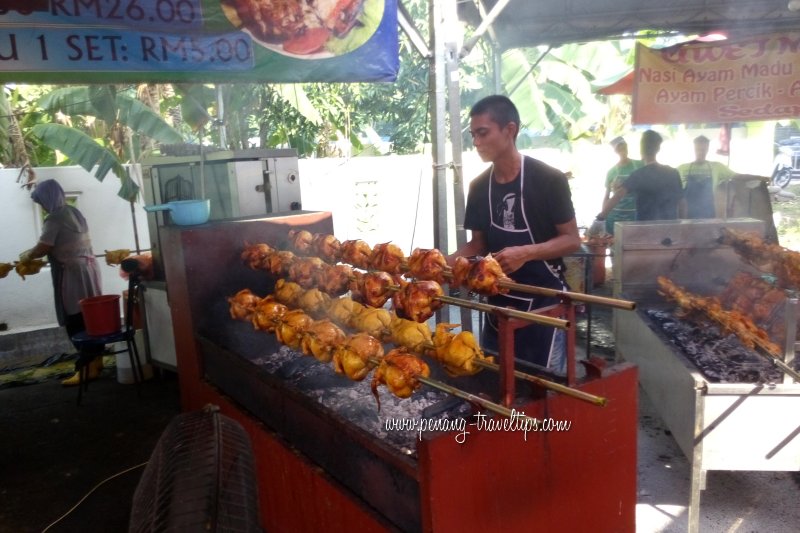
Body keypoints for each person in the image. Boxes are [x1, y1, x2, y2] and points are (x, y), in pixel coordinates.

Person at [448, 95, 581, 372]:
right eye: (473, 135)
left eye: (483, 133)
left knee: (542, 395)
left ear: (510, 130)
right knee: (497, 384)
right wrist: (444, 264)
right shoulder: (478, 187)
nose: (476, 142)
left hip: (545, 305)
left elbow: (572, 239)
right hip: (499, 305)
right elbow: (478, 244)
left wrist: (526, 252)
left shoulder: (548, 180)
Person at [19, 179, 104, 385]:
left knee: (75, 318)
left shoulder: (54, 218)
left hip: (71, 274)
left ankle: (86, 368)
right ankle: (96, 361)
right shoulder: (75, 213)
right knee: (91, 316)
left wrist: (27, 256)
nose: (42, 206)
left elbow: (44, 246)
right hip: (89, 270)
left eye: (41, 202)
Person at [597, 130, 683, 222]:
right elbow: (682, 202)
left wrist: (600, 218)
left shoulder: (639, 174)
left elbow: (618, 196)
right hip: (670, 229)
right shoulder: (673, 173)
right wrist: (682, 225)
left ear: (641, 150)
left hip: (645, 230)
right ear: (658, 148)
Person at [677, 134, 735, 219]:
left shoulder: (716, 166)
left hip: (708, 215)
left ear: (707, 149)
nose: (700, 152)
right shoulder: (682, 168)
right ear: (694, 149)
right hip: (687, 217)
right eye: (698, 149)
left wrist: (760, 178)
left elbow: (737, 176)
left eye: (703, 149)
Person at [601, 137, 642, 235]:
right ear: (615, 151)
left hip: (635, 216)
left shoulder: (640, 165)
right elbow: (607, 197)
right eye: (619, 149)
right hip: (615, 217)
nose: (622, 151)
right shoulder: (611, 172)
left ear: (627, 148)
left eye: (624, 147)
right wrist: (602, 218)